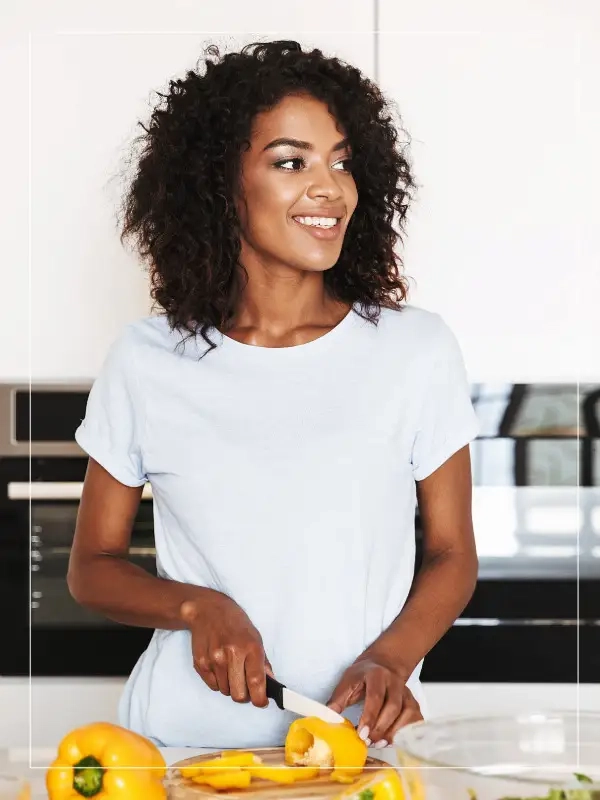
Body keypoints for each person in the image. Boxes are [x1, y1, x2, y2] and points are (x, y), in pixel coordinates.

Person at [68, 40, 479, 750]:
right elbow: (91, 569)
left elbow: (452, 554)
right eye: (292, 162)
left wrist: (392, 657)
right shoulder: (146, 361)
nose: (330, 188)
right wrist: (197, 607)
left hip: (354, 747)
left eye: (342, 161)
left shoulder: (416, 351)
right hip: (177, 747)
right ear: (220, 183)